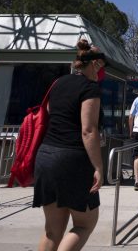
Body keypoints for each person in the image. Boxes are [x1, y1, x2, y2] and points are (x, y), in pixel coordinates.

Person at [34, 39, 105, 250]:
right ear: (94, 64)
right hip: (72, 159)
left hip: (46, 155)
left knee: (53, 229)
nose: (102, 71)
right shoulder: (90, 88)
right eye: (102, 66)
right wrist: (99, 167)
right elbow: (88, 130)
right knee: (85, 223)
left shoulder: (58, 83)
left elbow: (48, 113)